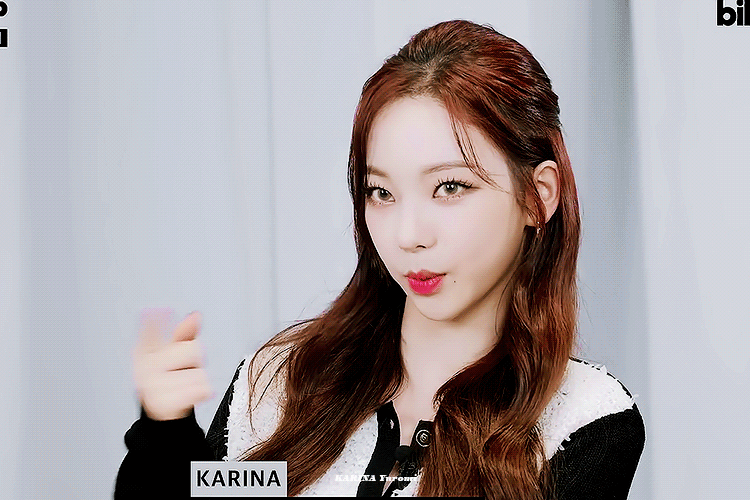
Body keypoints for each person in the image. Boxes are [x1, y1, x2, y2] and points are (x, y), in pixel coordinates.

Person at [115, 20, 645, 499]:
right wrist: (164, 434)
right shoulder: (281, 383)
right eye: (381, 193)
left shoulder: (582, 421)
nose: (408, 236)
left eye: (450, 187)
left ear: (537, 196)